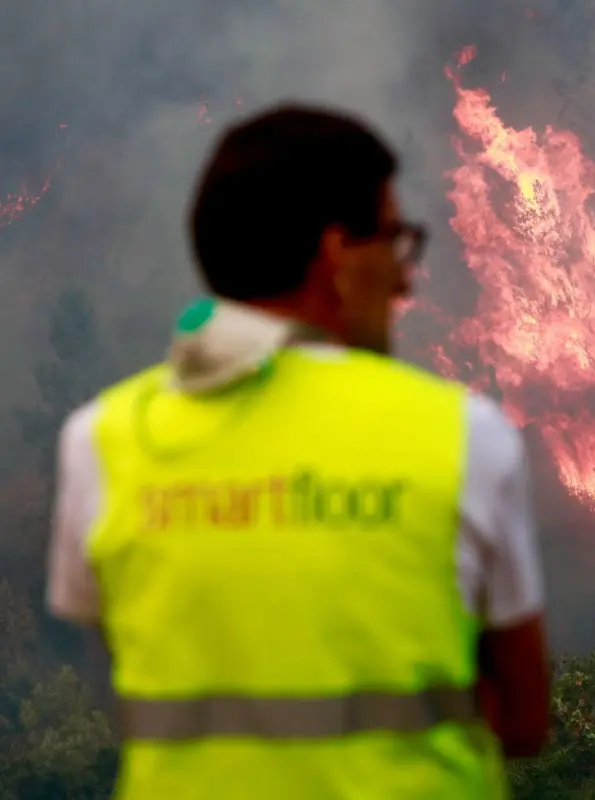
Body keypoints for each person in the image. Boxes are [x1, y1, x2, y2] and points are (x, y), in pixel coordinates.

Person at [46, 104, 550, 799]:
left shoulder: (103, 440)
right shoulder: (463, 435)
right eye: (394, 241)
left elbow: (119, 670)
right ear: (336, 253)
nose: (405, 279)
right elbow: (524, 721)